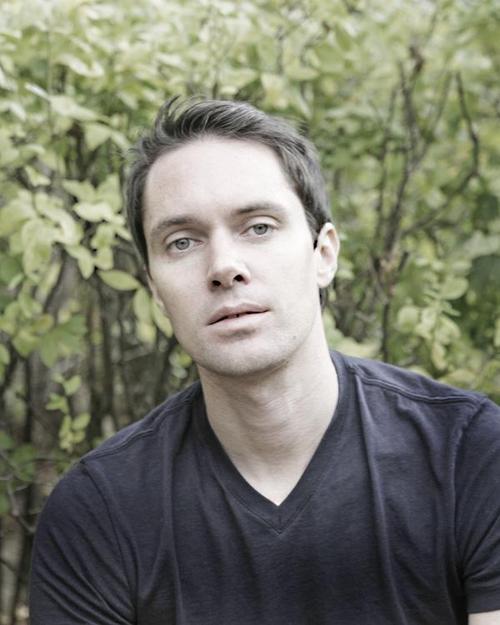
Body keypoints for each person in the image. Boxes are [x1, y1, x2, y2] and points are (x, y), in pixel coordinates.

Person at [29, 98, 500, 625]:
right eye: (182, 242)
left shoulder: (470, 453)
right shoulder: (99, 511)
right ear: (156, 291)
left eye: (258, 227)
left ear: (324, 254)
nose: (224, 266)